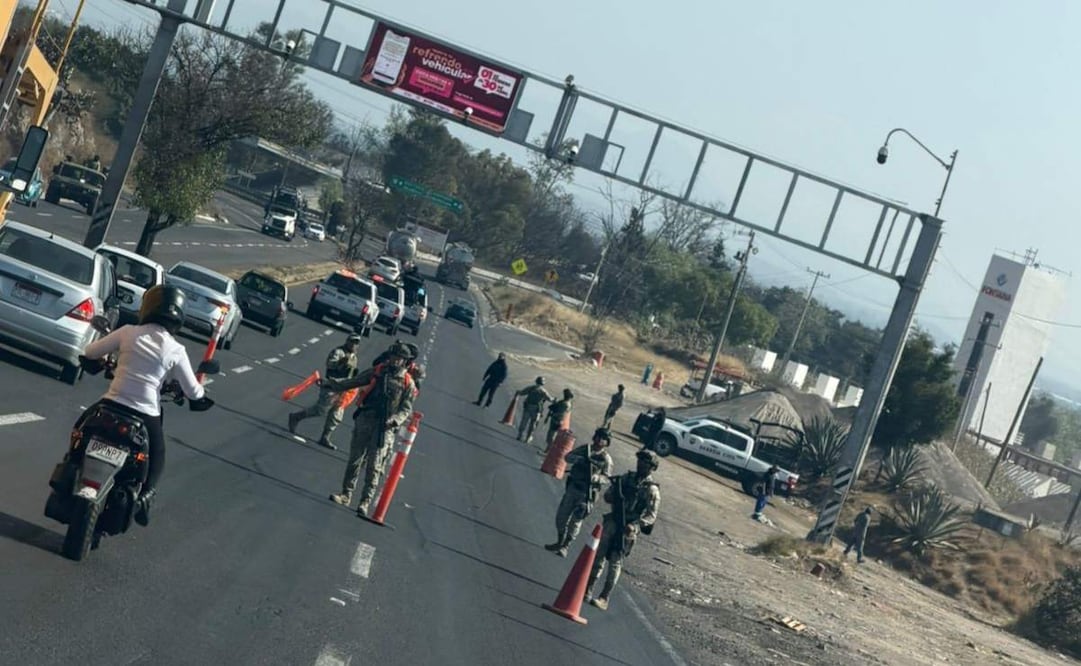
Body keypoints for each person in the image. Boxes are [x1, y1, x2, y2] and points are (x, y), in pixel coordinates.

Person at [73, 285, 213, 526]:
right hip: (145, 414)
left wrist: (111, 359)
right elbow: (193, 391)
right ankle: (146, 496)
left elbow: (90, 351)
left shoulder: (128, 332)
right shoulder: (176, 350)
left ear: (147, 307)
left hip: (112, 403)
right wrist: (201, 393)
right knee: (157, 453)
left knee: (80, 427)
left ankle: (72, 466)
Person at [325, 340, 416, 517]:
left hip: (385, 428)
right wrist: (331, 383)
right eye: (394, 356)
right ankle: (346, 494)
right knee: (355, 460)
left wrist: (394, 420)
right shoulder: (378, 371)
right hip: (366, 419)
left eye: (399, 358)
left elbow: (406, 409)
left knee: (374, 466)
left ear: (405, 361)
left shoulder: (407, 383)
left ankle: (364, 502)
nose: (395, 361)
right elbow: (354, 381)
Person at [585, 448, 661, 611]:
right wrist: (613, 496)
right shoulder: (627, 478)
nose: (640, 464)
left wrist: (635, 525)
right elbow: (608, 495)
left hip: (629, 528)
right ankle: (587, 589)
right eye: (640, 460)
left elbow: (651, 515)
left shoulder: (651, 489)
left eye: (645, 462)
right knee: (598, 556)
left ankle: (604, 597)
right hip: (613, 521)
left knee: (615, 561)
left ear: (652, 467)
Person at [545, 428, 614, 557]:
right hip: (573, 488)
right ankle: (560, 540)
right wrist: (579, 460)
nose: (600, 440)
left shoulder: (606, 459)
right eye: (598, 436)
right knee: (561, 518)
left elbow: (607, 478)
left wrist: (596, 478)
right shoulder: (585, 450)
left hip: (587, 493)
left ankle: (566, 545)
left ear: (607, 442)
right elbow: (568, 457)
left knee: (576, 521)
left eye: (603, 438)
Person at [288, 334, 361, 450]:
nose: (354, 345)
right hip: (331, 385)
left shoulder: (354, 357)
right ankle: (296, 417)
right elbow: (330, 364)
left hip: (343, 389)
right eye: (352, 342)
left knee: (336, 415)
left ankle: (325, 437)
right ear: (347, 341)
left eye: (356, 343)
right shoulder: (338, 352)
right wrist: (341, 362)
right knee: (320, 410)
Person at [516, 377, 552, 443]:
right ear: (543, 383)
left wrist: (518, 392)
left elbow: (522, 393)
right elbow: (550, 399)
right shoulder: (543, 391)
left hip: (528, 407)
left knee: (524, 421)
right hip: (536, 409)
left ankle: (520, 435)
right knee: (533, 424)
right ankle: (528, 438)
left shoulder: (531, 388)